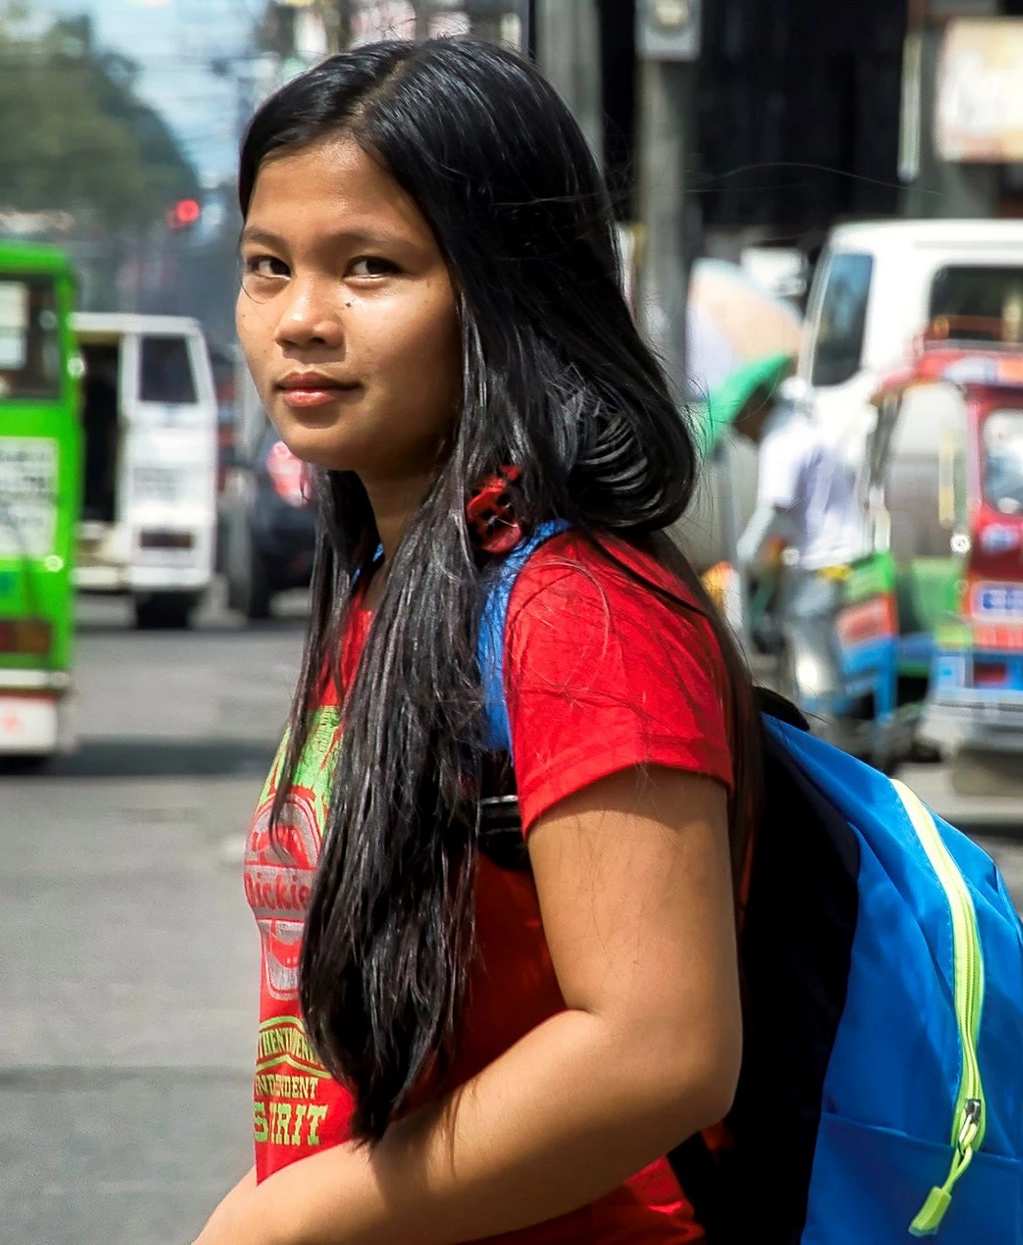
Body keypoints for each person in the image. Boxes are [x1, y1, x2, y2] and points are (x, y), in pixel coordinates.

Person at [196, 40, 753, 1245]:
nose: (300, 319)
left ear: (505, 291)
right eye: (266, 266)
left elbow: (657, 1051)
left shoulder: (579, 612)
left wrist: (293, 1223)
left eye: (371, 268)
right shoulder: (395, 589)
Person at [731, 372, 864, 700]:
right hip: (838, 552)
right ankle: (831, 707)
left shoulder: (781, 440)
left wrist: (745, 554)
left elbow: (775, 507)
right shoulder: (801, 429)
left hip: (828, 556)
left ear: (752, 408)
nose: (741, 434)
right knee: (820, 634)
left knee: (804, 624)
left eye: (738, 424)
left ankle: (822, 716)